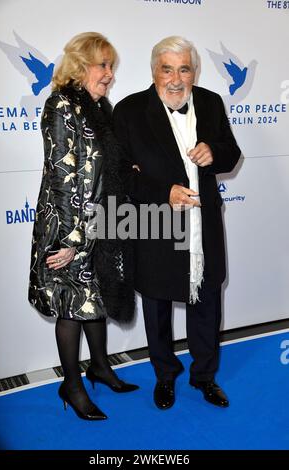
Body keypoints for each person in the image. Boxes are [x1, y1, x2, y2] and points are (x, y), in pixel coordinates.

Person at [113, 36, 241, 410]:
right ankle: (164, 377)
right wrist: (161, 192)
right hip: (156, 222)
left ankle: (204, 377)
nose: (175, 78)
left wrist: (214, 151)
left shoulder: (212, 103)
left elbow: (232, 153)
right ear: (154, 71)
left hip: (204, 223)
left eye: (183, 69)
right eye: (167, 69)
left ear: (194, 71)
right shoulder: (129, 111)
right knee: (157, 305)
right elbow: (119, 175)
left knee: (207, 302)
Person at [29, 32, 138, 421]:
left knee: (96, 297)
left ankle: (101, 367)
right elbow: (62, 175)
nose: (109, 74)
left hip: (99, 223)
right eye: (102, 65)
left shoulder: (98, 106)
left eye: (111, 66)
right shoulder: (60, 106)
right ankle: (71, 385)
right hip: (68, 226)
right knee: (72, 306)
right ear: (79, 66)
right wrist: (72, 238)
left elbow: (107, 165)